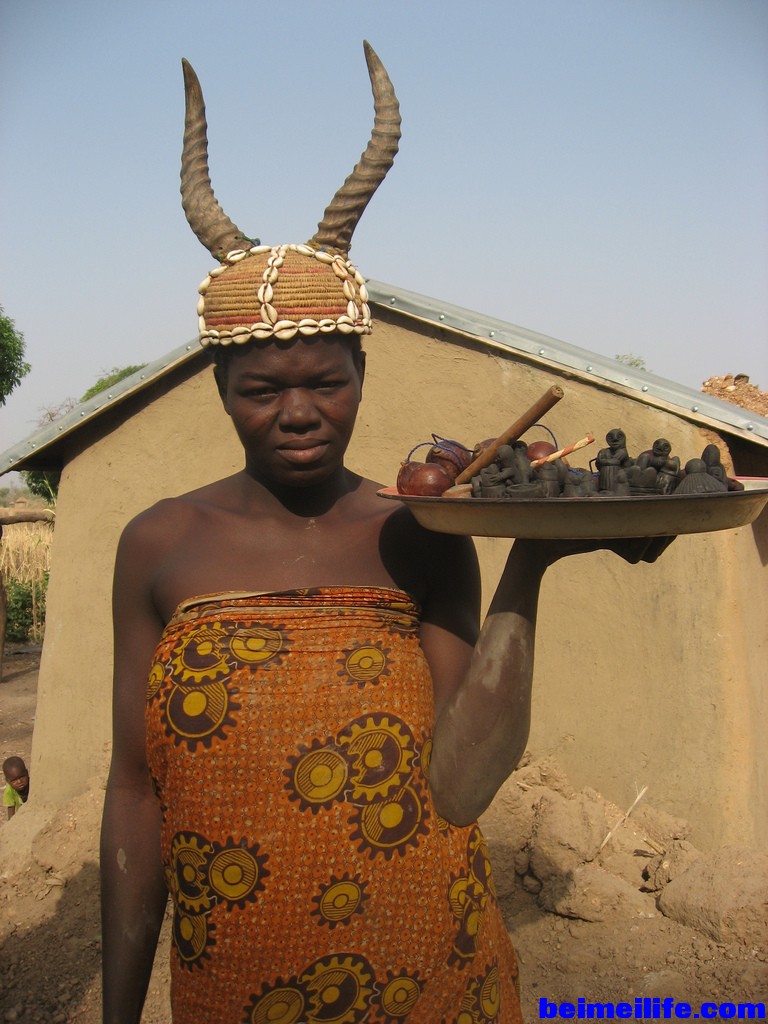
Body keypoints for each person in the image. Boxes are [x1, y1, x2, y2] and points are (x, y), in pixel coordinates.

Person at [100, 44, 671, 1024]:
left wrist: (531, 560)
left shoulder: (423, 530)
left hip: (435, 980)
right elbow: (134, 792)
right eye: (262, 390)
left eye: (327, 382)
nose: (298, 413)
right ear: (220, 390)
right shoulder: (160, 545)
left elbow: (464, 787)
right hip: (237, 991)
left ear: (362, 376)